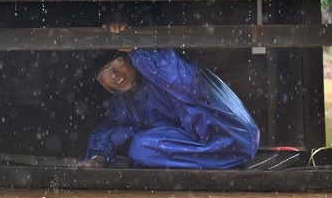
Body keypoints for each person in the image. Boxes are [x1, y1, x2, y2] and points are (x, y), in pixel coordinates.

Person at [79, 23, 260, 169]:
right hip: (200, 149)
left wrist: (136, 46)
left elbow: (182, 82)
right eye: (105, 73)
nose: (115, 75)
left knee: (141, 148)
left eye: (118, 63)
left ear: (131, 59)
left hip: (231, 140)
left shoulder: (166, 72)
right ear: (101, 83)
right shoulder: (123, 102)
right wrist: (99, 155)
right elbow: (114, 130)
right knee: (140, 145)